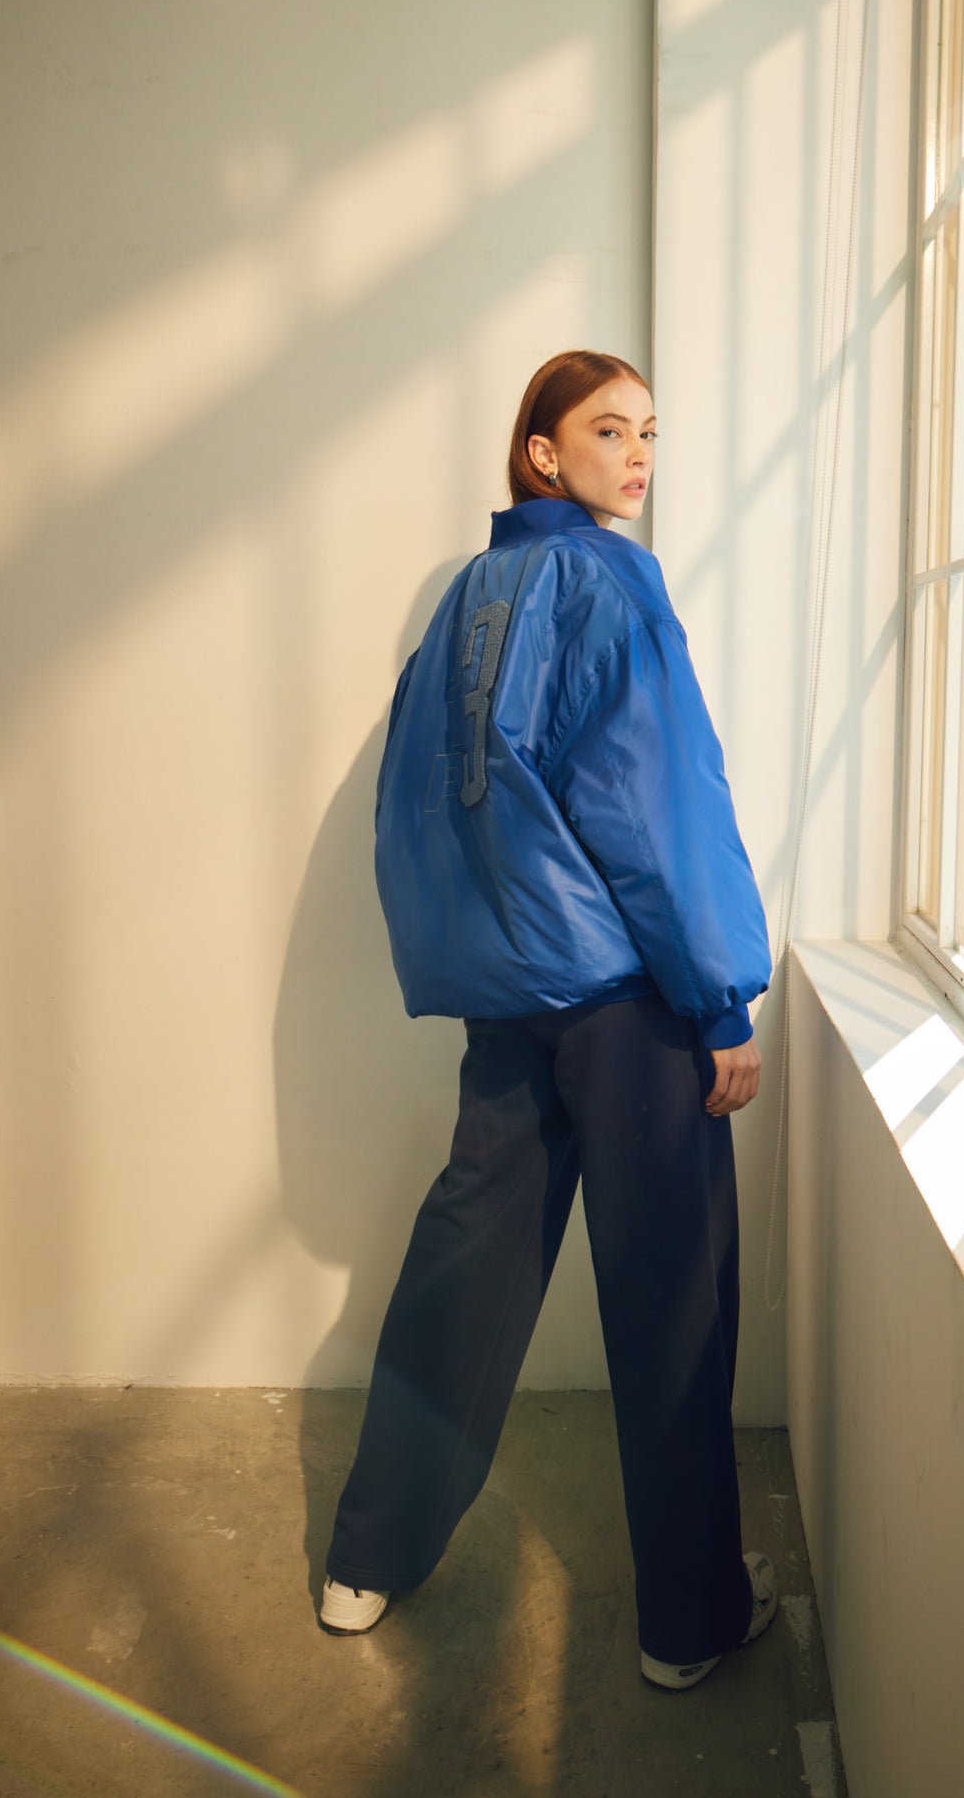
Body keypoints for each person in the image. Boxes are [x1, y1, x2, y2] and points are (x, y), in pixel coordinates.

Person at [318, 348, 776, 1691]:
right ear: (540, 452)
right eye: (605, 429)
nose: (636, 454)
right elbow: (660, 802)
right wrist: (719, 997)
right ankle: (685, 1620)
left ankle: (366, 1559)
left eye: (648, 431)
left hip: (510, 999)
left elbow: (414, 804)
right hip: (627, 1003)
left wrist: (485, 951)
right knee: (670, 1303)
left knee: (461, 1276)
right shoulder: (607, 579)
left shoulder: (469, 597)